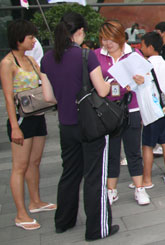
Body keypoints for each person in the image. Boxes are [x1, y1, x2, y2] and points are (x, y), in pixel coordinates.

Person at [40, 12, 117, 240]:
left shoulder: (46, 59)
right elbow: (102, 91)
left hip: (66, 125)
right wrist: (110, 81)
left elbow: (48, 97)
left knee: (70, 173)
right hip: (91, 125)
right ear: (80, 32)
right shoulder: (86, 56)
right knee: (94, 177)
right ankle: (97, 229)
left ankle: (63, 221)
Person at [1, 20, 54, 231]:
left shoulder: (31, 60)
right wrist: (14, 126)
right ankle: (21, 214)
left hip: (37, 116)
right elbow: (7, 98)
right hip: (21, 120)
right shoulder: (7, 63)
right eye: (31, 37)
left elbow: (45, 81)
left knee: (35, 162)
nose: (34, 41)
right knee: (19, 167)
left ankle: (35, 202)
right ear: (18, 38)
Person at [95, 20, 150, 206]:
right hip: (108, 110)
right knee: (111, 151)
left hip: (131, 107)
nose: (107, 43)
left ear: (120, 37)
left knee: (133, 150)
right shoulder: (97, 56)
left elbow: (146, 79)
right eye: (104, 39)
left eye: (111, 39)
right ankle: (111, 190)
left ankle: (139, 188)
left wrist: (141, 80)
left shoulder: (133, 54)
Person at [134, 32, 165, 188]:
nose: (141, 48)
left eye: (143, 45)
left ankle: (147, 179)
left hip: (151, 112)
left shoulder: (145, 66)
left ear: (150, 47)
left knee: (147, 145)